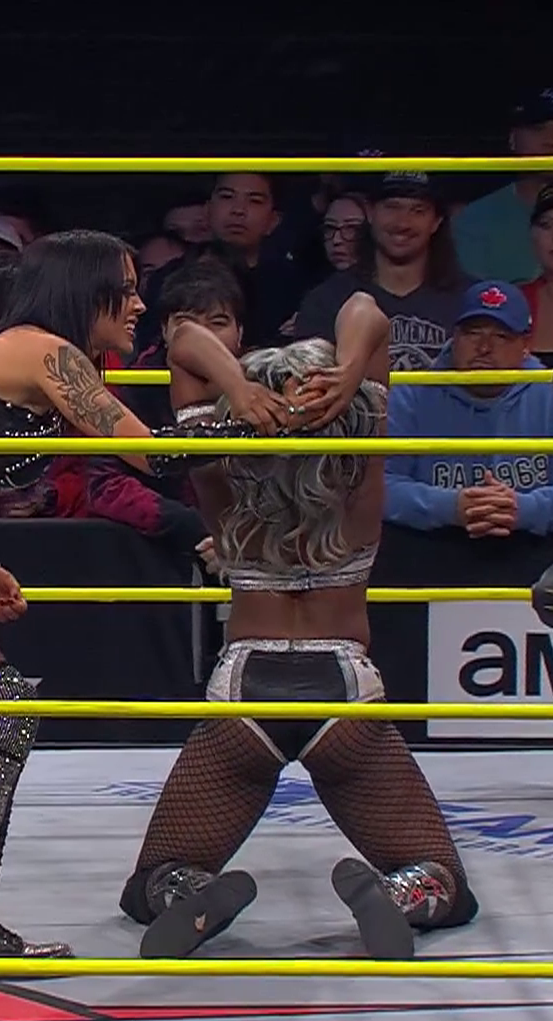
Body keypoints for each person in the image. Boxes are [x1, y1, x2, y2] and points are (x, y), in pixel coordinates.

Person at [0, 229, 334, 959]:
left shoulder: (30, 353)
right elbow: (152, 454)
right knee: (1, 701)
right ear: (87, 290)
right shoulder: (46, 351)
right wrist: (252, 416)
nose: (139, 304)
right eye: (128, 288)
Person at [116, 293, 479, 961]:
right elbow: (366, 309)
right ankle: (403, 892)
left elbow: (186, 337)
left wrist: (238, 389)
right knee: (444, 880)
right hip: (344, 687)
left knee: (151, 881)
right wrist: (347, 375)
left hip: (244, 686)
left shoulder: (222, 478)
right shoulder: (357, 466)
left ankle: (189, 889)